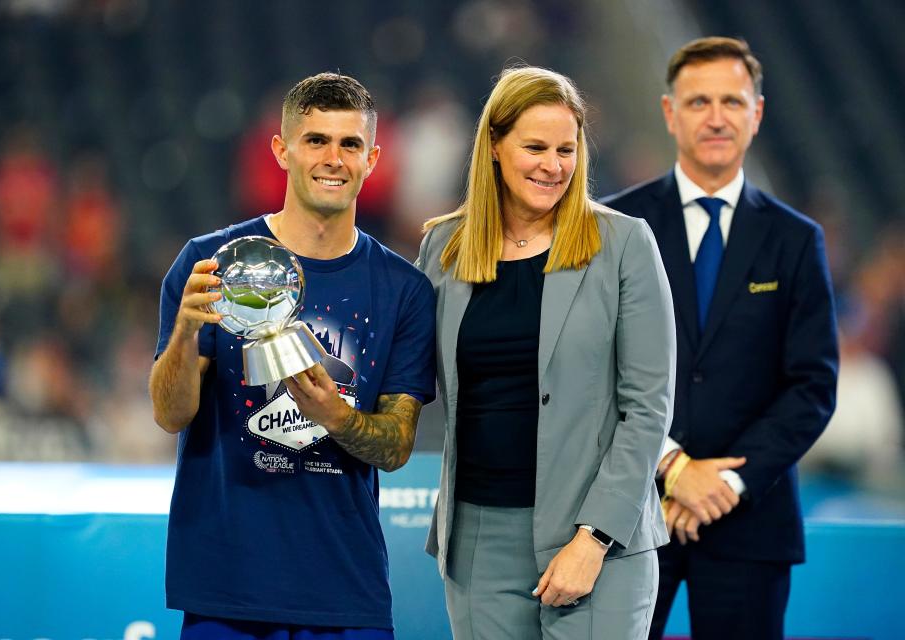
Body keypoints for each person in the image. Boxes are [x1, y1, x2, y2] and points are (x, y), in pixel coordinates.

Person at [149, 73, 437, 639]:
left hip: (343, 591)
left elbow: (397, 445)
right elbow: (169, 414)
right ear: (281, 150)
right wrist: (184, 333)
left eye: (349, 144)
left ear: (373, 158)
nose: (333, 158)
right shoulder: (209, 264)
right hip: (225, 587)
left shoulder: (405, 290)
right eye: (315, 140)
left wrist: (334, 415)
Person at [417, 66, 676, 639]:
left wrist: (594, 537)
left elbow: (648, 408)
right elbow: (409, 374)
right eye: (535, 147)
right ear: (493, 146)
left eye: (567, 148)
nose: (553, 165)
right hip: (478, 544)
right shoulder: (443, 245)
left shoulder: (625, 243)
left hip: (595, 543)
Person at [602, 37, 838, 640]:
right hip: (624, 516)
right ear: (668, 112)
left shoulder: (795, 240)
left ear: (756, 114)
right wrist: (673, 465)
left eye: (731, 101)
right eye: (698, 100)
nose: (715, 117)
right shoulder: (614, 227)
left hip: (750, 521)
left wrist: (725, 483)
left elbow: (811, 386)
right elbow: (590, 366)